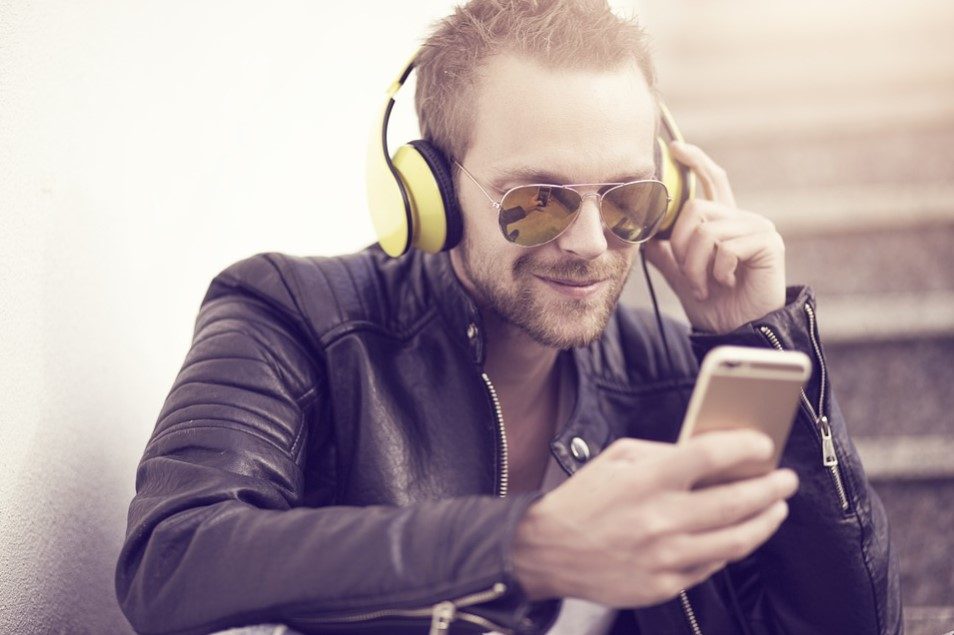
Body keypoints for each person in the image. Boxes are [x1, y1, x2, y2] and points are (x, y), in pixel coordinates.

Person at [116, 1, 901, 633]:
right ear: (427, 194)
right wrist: (526, 545)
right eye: (536, 202)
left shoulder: (675, 367)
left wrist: (756, 337)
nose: (592, 245)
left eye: (628, 198)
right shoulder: (293, 314)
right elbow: (172, 561)